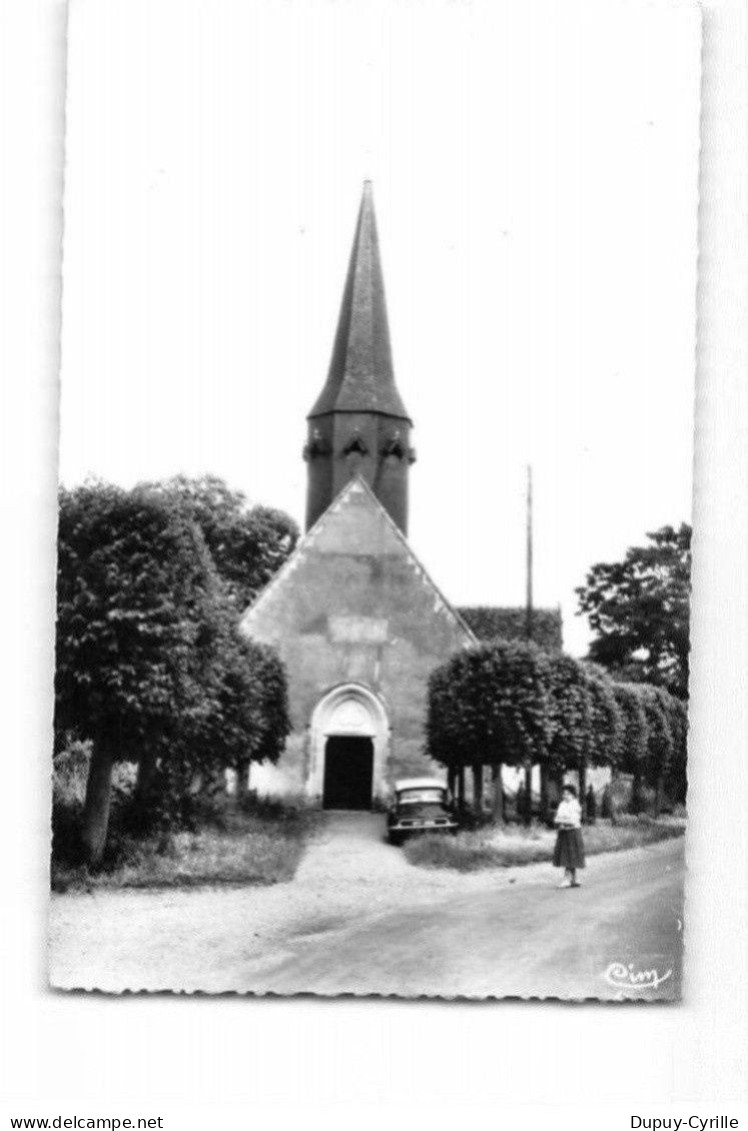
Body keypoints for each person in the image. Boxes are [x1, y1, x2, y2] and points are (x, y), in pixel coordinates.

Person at [553, 783, 586, 888]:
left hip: (573, 832)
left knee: (571, 855)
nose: (565, 796)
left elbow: (573, 820)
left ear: (573, 795)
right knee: (566, 855)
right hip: (564, 832)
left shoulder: (575, 805)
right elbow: (557, 818)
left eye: (567, 794)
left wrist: (563, 820)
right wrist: (562, 821)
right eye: (564, 794)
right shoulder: (562, 804)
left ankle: (569, 878)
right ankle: (573, 878)